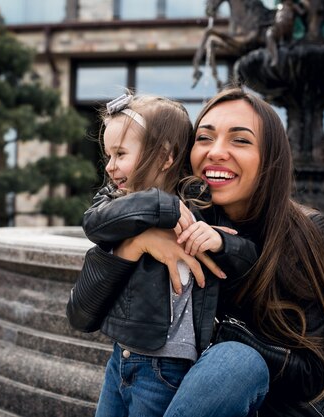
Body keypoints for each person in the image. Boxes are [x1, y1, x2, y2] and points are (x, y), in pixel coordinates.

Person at [71, 86, 324, 417]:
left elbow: (313, 374)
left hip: (265, 408)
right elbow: (81, 315)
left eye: (240, 140)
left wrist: (226, 336)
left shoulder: (302, 230)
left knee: (235, 360)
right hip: (159, 382)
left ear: (270, 157)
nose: (216, 152)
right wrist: (137, 244)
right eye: (204, 138)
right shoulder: (173, 212)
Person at [67, 92, 256, 417]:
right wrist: (161, 206)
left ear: (166, 157)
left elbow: (247, 255)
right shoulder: (115, 202)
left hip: (165, 365)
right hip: (121, 356)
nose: (110, 166)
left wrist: (219, 242)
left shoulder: (200, 202)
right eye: (108, 155)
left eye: (120, 153)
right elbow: (94, 222)